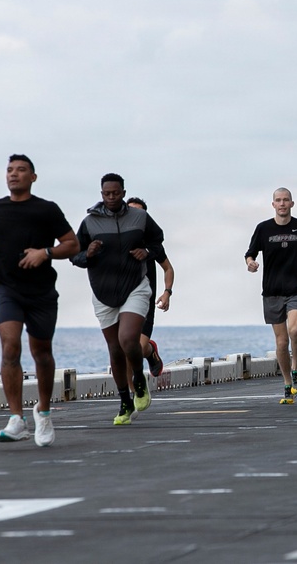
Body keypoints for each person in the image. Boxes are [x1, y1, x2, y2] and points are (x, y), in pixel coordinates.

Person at [0, 154, 79, 446]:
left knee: (42, 353)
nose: (13, 174)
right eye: (10, 170)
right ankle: (16, 419)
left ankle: (44, 413)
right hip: (6, 288)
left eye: (21, 170)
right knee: (10, 346)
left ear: (32, 177)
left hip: (41, 293)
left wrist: (45, 253)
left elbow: (73, 244)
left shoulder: (46, 210)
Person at [72, 173, 164, 425]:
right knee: (114, 348)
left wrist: (146, 251)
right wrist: (87, 254)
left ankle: (138, 378)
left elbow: (158, 242)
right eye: (106, 194)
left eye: (115, 193)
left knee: (127, 339)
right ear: (101, 194)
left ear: (123, 192)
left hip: (135, 286)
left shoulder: (140, 218)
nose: (111, 197)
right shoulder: (90, 222)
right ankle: (124, 401)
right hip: (103, 292)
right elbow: (75, 255)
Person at [245, 188, 297, 405]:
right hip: (271, 292)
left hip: (296, 291)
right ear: (273, 204)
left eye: (286, 200)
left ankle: (296, 366)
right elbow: (250, 253)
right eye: (278, 200)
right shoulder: (263, 228)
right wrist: (250, 263)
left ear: (292, 204)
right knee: (281, 342)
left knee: (294, 330)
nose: (282, 203)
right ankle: (288, 384)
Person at [125, 197, 174, 380]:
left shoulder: (151, 244)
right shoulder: (117, 240)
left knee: (134, 349)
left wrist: (167, 292)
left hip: (145, 302)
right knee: (126, 348)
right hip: (121, 302)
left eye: (138, 213)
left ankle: (149, 351)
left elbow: (168, 268)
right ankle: (150, 352)